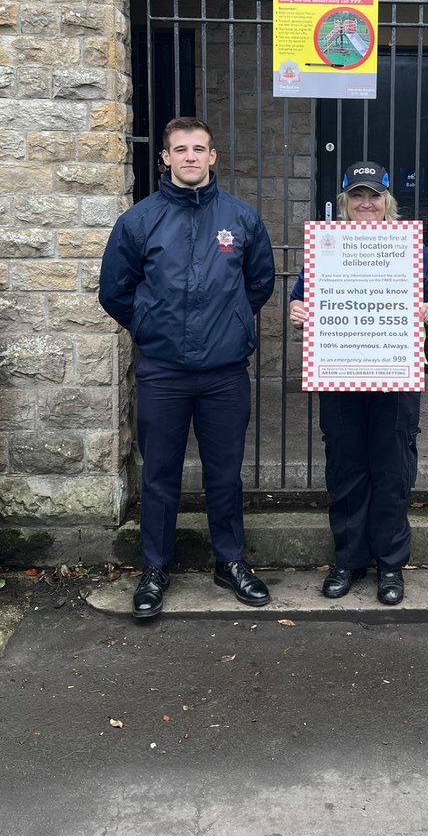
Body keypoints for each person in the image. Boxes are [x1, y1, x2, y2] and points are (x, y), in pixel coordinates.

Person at [99, 118, 275, 619]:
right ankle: (154, 568)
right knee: (159, 475)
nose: (191, 157)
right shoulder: (139, 221)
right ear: (166, 159)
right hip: (162, 372)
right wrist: (152, 326)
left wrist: (232, 321)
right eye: (181, 149)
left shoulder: (240, 219)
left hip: (224, 373)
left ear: (213, 157)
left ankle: (230, 561)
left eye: (200, 149)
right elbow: (115, 290)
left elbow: (258, 282)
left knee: (225, 475)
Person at [289, 161, 428, 606]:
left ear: (387, 202)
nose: (365, 203)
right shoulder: (328, 246)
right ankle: (348, 561)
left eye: (374, 195)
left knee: (392, 472)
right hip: (340, 378)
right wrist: (298, 310)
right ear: (344, 202)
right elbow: (301, 297)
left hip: (395, 379)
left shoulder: (408, 246)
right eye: (357, 195)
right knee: (346, 471)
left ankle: (391, 565)